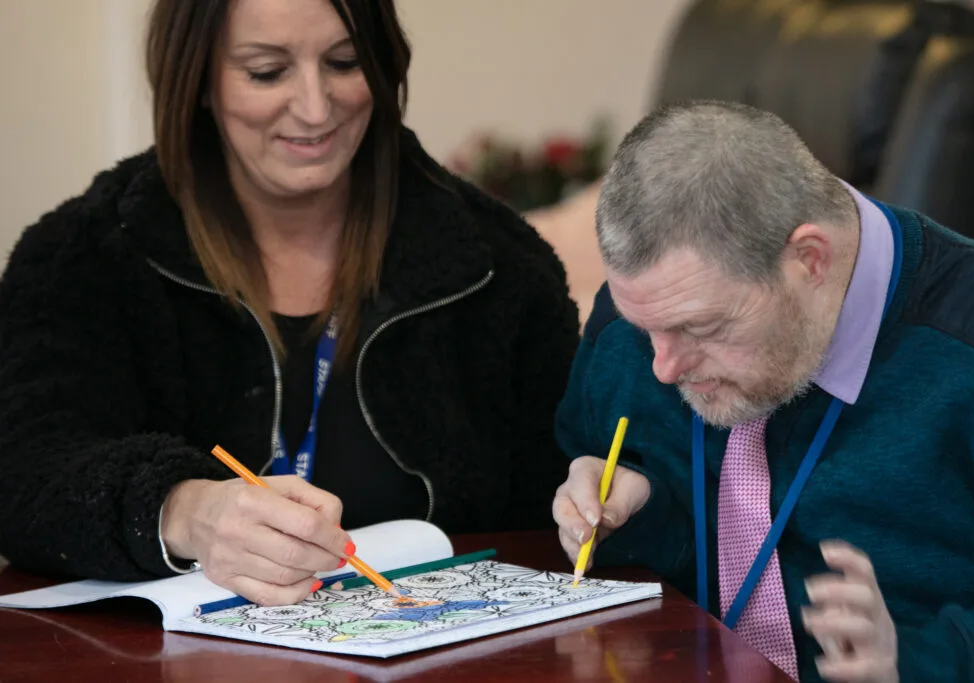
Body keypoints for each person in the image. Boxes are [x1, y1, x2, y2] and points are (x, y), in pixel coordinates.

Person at [0, 0, 579, 607]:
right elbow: (24, 473)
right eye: (267, 72)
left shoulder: (496, 265)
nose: (314, 108)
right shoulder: (85, 254)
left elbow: (561, 506)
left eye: (345, 62)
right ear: (197, 79)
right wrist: (180, 510)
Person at [552, 101, 974, 682]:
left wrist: (917, 663)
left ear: (810, 259)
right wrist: (634, 514)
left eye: (702, 328)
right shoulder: (643, 318)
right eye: (644, 327)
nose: (664, 368)